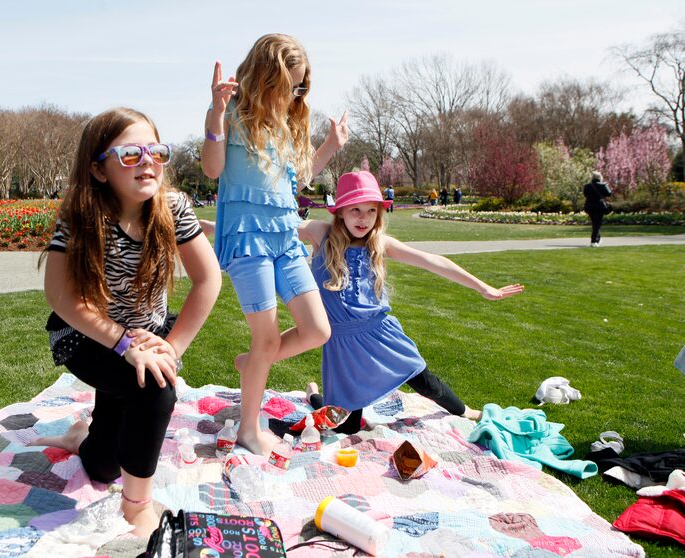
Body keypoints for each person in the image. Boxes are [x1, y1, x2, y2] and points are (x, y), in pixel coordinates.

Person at [31, 107, 221, 538]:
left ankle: (83, 438)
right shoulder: (80, 214)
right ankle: (137, 508)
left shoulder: (172, 207)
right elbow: (61, 297)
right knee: (155, 391)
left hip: (146, 333)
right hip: (87, 334)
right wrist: (122, 344)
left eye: (156, 151)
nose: (148, 162)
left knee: (102, 465)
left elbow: (208, 280)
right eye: (131, 154)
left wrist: (172, 347)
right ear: (99, 170)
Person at [200, 33, 348, 456]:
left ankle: (254, 364)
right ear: (267, 77)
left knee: (317, 330)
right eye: (292, 84)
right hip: (248, 240)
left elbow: (295, 183)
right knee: (264, 339)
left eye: (302, 86)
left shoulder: (287, 123)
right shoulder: (230, 114)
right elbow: (212, 170)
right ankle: (248, 428)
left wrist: (330, 147)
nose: (297, 93)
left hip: (286, 237)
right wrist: (215, 113)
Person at [297, 171, 524, 434]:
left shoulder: (379, 243)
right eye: (355, 210)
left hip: (381, 334)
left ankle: (463, 409)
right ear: (341, 212)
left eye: (371, 211)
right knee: (345, 427)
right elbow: (275, 227)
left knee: (424, 380)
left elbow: (432, 261)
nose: (363, 218)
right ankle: (315, 396)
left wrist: (483, 287)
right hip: (341, 342)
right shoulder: (320, 233)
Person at [583, 171, 612, 247]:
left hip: (589, 206)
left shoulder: (587, 186)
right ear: (600, 177)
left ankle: (597, 239)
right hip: (599, 206)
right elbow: (609, 193)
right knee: (597, 224)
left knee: (594, 223)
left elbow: (585, 194)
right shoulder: (603, 185)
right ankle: (594, 241)